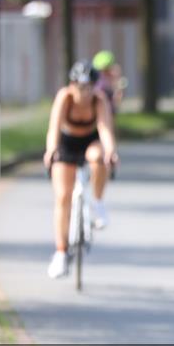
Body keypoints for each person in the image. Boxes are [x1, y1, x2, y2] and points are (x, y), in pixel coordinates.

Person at [43, 61, 118, 279]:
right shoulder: (64, 98)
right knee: (63, 197)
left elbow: (105, 129)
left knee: (98, 158)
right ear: (72, 84)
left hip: (90, 141)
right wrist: (51, 150)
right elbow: (53, 128)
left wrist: (111, 151)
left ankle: (98, 203)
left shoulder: (99, 100)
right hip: (67, 142)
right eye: (79, 86)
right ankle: (60, 252)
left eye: (88, 87)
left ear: (94, 86)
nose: (83, 92)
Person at [92, 50, 126, 114]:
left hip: (110, 111)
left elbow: (118, 100)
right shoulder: (98, 83)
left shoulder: (112, 80)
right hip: (101, 112)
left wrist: (117, 81)